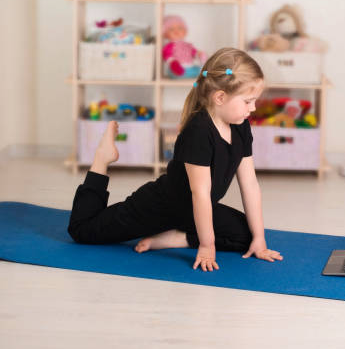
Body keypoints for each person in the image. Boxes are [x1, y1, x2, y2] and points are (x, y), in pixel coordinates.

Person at [68, 47, 283, 272]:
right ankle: (102, 159)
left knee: (247, 237)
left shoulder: (241, 125)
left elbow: (249, 184)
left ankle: (176, 238)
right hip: (160, 206)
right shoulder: (198, 131)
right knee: (83, 232)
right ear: (220, 97)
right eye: (248, 101)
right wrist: (206, 245)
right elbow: (200, 192)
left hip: (196, 210)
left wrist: (259, 237)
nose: (254, 108)